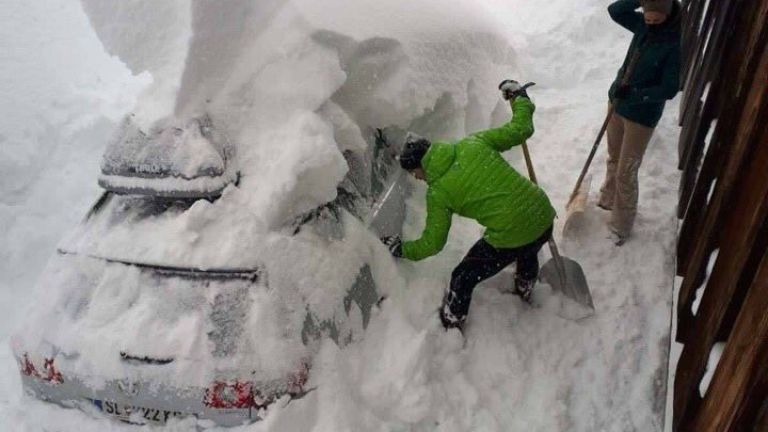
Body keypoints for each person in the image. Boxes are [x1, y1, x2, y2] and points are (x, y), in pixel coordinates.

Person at [380, 81, 556, 330]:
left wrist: (402, 249)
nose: (417, 178)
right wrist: (519, 98)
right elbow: (521, 128)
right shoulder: (473, 143)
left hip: (511, 230)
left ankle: (451, 322)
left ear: (419, 166)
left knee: (463, 277)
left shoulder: (439, 193)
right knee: (528, 247)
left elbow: (433, 243)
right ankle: (525, 285)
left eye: (414, 173)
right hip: (542, 213)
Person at [599, 0, 681, 245]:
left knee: (627, 169)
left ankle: (621, 225)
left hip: (642, 117)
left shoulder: (673, 44)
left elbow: (669, 88)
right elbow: (615, 11)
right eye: (647, 17)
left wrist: (636, 95)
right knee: (613, 157)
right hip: (617, 104)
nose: (651, 23)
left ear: (667, 17)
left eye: (656, 20)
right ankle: (608, 198)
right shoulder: (641, 26)